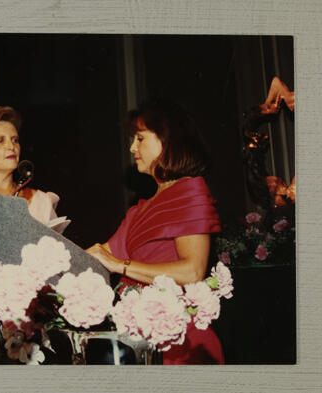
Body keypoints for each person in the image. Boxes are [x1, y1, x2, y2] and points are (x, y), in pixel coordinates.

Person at [87, 99, 224, 364]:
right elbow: (96, 258)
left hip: (183, 342)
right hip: (146, 342)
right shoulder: (138, 211)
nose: (131, 148)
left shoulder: (189, 190)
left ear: (167, 139)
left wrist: (120, 265)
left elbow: (192, 272)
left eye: (139, 139)